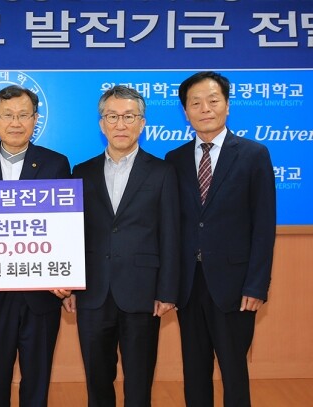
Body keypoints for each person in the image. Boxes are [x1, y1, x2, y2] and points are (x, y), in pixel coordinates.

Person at [165, 71, 276, 407]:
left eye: (213, 100)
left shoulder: (254, 155)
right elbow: (172, 226)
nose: (205, 108)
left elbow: (263, 226)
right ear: (185, 111)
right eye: (195, 103)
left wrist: (256, 285)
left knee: (234, 371)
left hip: (235, 285)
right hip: (190, 285)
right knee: (194, 371)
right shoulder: (174, 159)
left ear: (227, 105)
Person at [67, 85, 180, 406]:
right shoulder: (81, 172)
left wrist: (167, 291)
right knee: (97, 379)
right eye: (112, 116)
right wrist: (71, 284)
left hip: (142, 291)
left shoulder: (162, 172)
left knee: (139, 380)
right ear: (101, 124)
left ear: (142, 123)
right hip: (93, 292)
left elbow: (171, 234)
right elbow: (73, 233)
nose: (120, 124)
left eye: (129, 117)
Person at [0, 85, 71, 407]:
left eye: (24, 115)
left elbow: (66, 226)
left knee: (37, 383)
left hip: (41, 295)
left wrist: (68, 276)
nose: (16, 123)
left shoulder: (56, 164)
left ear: (35, 119)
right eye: (7, 115)